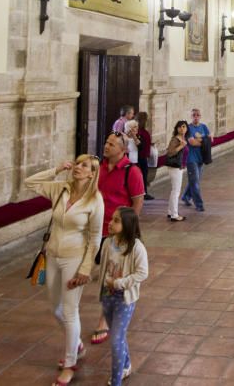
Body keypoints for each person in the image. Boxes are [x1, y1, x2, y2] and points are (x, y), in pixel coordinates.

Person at [24, 155, 104, 386]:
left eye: (84, 166)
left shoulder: (95, 200)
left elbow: (95, 237)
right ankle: (76, 343)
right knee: (56, 308)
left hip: (75, 259)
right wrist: (57, 169)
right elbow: (30, 182)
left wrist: (85, 269)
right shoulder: (61, 189)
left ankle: (70, 364)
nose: (78, 168)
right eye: (77, 163)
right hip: (53, 255)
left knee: (70, 311)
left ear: (92, 173)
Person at [91, 131, 145, 345]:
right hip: (97, 230)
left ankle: (104, 319)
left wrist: (128, 231)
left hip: (118, 232)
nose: (107, 146)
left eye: (112, 144)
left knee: (111, 276)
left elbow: (137, 201)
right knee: (100, 272)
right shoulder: (100, 168)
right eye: (106, 142)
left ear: (123, 149)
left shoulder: (131, 171)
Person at [97, 207, 148, 386]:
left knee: (116, 338)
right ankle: (126, 364)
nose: (110, 223)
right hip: (107, 296)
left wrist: (119, 283)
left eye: (116, 220)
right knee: (117, 335)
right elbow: (103, 268)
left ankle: (116, 380)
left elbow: (142, 273)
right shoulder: (107, 244)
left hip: (124, 299)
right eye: (112, 219)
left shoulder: (137, 248)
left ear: (127, 224)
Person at [180, 108, 210, 212]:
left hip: (201, 158)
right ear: (191, 116)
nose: (196, 117)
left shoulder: (204, 127)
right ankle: (199, 204)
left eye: (198, 115)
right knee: (195, 182)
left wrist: (200, 140)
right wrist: (203, 141)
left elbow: (210, 139)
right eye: (194, 115)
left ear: (200, 116)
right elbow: (192, 142)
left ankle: (185, 196)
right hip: (191, 159)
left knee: (194, 180)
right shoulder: (188, 128)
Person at [165, 120, 189, 221]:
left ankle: (170, 212)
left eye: (184, 127)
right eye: (179, 127)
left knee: (174, 190)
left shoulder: (183, 138)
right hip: (174, 167)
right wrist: (181, 146)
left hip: (179, 167)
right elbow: (170, 152)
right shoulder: (176, 139)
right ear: (176, 128)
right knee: (176, 191)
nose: (182, 128)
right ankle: (174, 215)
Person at [134, 112, 154, 200]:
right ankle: (143, 193)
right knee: (142, 175)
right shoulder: (140, 132)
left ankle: (143, 192)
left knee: (143, 175)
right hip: (140, 157)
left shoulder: (141, 131)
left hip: (141, 156)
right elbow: (140, 145)